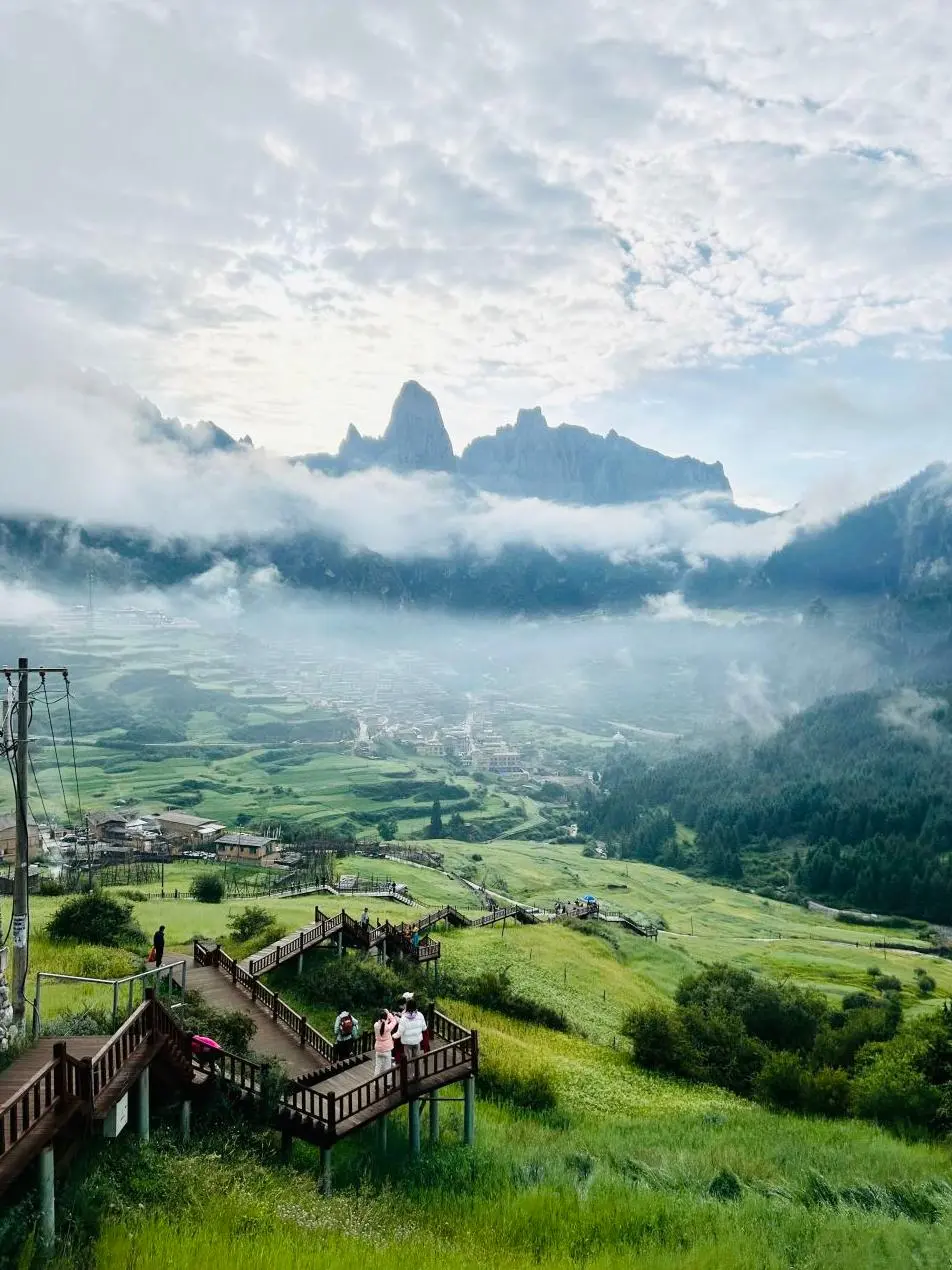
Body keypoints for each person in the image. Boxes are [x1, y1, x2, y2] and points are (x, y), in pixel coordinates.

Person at [394, 996, 426, 1060]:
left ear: (407, 1006)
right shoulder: (420, 1015)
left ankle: (410, 1070)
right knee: (417, 1060)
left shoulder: (404, 1018)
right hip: (417, 1041)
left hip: (407, 1042)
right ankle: (417, 1070)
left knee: (408, 1060)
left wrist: (393, 1036)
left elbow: (399, 1032)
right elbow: (424, 1028)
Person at [373, 1008, 397, 1077]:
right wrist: (388, 1013)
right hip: (386, 1049)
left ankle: (375, 1082)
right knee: (387, 1067)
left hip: (378, 1049)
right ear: (386, 1017)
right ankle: (388, 1083)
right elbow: (394, 1021)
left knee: (378, 1067)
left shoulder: (375, 1025)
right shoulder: (388, 1027)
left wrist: (386, 1016)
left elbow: (381, 1023)